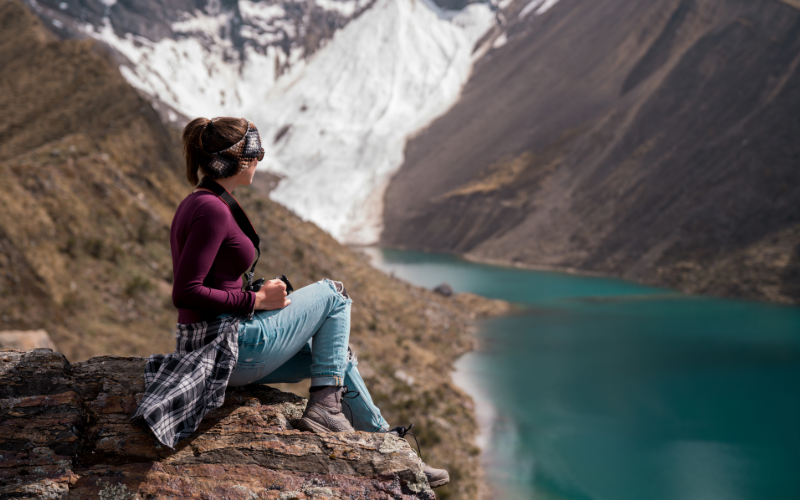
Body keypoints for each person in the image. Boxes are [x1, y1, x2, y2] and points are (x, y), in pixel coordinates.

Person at [131, 116, 449, 489]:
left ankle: (388, 445)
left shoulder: (201, 202)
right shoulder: (212, 210)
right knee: (335, 293)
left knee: (334, 358)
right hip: (230, 348)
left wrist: (258, 296)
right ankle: (325, 410)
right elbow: (185, 292)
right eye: (256, 152)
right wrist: (256, 300)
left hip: (218, 349)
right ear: (237, 159)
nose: (260, 159)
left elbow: (211, 282)